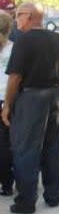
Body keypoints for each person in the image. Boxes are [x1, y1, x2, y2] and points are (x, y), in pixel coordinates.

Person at [1, 1, 59, 214]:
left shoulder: (23, 41)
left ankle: (26, 201)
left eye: (19, 15)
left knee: (26, 150)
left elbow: (15, 77)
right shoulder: (57, 38)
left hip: (30, 98)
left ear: (30, 16)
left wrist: (7, 105)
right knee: (53, 147)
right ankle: (53, 196)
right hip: (55, 97)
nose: (16, 20)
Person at [0, 12, 15, 195]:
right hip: (11, 100)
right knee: (12, 143)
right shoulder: (16, 49)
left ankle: (5, 184)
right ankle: (12, 182)